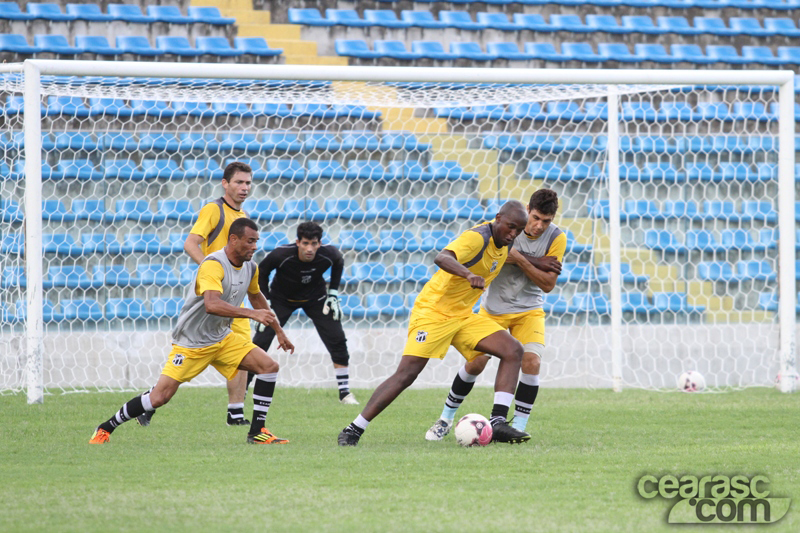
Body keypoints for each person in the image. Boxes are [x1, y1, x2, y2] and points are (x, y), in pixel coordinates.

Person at [338, 201, 531, 446]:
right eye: (511, 227)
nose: (514, 233)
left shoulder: (506, 240)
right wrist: (468, 274)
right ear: (498, 219)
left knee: (513, 350)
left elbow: (515, 253)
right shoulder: (476, 238)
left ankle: (498, 422)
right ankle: (353, 429)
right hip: (434, 312)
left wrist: (539, 264)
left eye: (519, 230)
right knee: (407, 374)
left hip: (462, 315)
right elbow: (442, 257)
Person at [89, 218, 295, 445]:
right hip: (192, 343)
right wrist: (251, 314)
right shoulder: (213, 265)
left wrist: (278, 331)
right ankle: (105, 428)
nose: (254, 246)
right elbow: (212, 305)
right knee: (159, 397)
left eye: (256, 241)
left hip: (222, 338)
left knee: (269, 367)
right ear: (233, 240)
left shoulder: (250, 267)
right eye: (250, 241)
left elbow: (256, 297)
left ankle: (257, 432)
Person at [425, 189, 565, 441]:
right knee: (477, 362)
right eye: (535, 218)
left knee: (531, 362)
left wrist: (525, 261)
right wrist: (536, 262)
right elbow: (500, 250)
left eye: (546, 221)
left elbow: (547, 284)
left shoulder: (557, 238)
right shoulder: (512, 225)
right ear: (527, 210)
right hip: (493, 309)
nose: (538, 226)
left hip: (529, 310)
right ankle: (445, 419)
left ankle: (518, 427)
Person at [139, 161, 255, 427]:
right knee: (188, 357)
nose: (244, 187)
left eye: (248, 182)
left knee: (243, 353)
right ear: (225, 184)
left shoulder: (243, 215)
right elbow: (191, 243)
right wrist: (210, 272)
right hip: (212, 299)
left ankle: (235, 414)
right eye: (239, 182)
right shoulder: (214, 210)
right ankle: (150, 401)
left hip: (235, 298)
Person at [250, 221, 358, 405]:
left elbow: (339, 262)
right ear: (297, 242)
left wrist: (332, 292)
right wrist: (265, 301)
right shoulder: (281, 254)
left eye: (314, 244)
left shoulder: (329, 254)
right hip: (281, 300)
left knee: (337, 339)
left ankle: (345, 393)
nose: (309, 248)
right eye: (305, 243)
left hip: (315, 300)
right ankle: (243, 389)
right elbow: (262, 272)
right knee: (260, 342)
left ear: (320, 244)